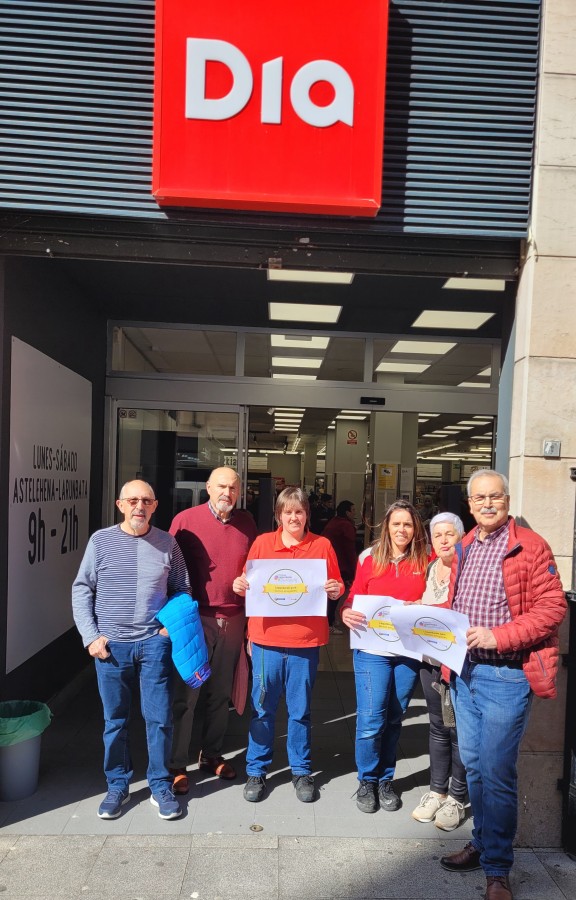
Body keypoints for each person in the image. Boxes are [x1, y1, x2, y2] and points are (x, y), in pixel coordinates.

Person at [439, 469, 566, 900]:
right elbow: (456, 604)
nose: (487, 504)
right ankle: (482, 842)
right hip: (465, 674)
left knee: (495, 773)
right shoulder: (465, 545)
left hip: (505, 676)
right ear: (470, 504)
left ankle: (498, 870)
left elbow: (552, 608)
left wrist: (499, 635)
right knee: (475, 767)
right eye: (479, 498)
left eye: (495, 497)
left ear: (507, 501)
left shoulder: (531, 545)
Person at [71, 480, 189, 821]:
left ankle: (159, 784)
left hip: (154, 644)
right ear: (120, 504)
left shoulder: (168, 542)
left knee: (159, 719)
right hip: (111, 647)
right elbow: (82, 589)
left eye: (146, 501)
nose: (140, 506)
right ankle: (117, 785)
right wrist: (91, 636)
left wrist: (167, 630)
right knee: (115, 721)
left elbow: (182, 588)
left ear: (155, 506)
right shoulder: (101, 541)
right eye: (133, 500)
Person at [233, 486, 344, 804]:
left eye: (299, 511)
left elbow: (336, 585)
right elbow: (246, 583)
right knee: (262, 709)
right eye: (288, 512)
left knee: (300, 712)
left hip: (305, 641)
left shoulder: (321, 546)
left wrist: (336, 589)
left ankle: (301, 771)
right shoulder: (262, 543)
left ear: (307, 514)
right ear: (278, 515)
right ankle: (256, 770)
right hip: (266, 640)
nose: (294, 517)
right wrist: (240, 585)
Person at [168, 466, 257, 792]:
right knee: (186, 696)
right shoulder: (186, 521)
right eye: (221, 487)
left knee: (220, 696)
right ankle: (177, 763)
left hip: (233, 620)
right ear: (208, 487)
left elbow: (255, 568)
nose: (227, 494)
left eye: (233, 488)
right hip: (196, 621)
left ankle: (212, 754)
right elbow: (169, 571)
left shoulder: (247, 524)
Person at [341, 499, 428, 813]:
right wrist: (346, 611)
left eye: (407, 524)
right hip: (371, 649)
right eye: (396, 524)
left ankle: (384, 779)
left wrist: (425, 601)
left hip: (408, 651)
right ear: (386, 527)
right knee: (370, 719)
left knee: (394, 716)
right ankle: (366, 779)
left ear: (415, 527)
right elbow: (353, 597)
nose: (402, 530)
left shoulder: (427, 559)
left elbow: (441, 596)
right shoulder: (369, 557)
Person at [411, 512, 468, 831]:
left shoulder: (469, 571)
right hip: (429, 662)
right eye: (438, 535)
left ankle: (457, 797)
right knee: (437, 727)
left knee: (458, 729)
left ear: (461, 537)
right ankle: (437, 791)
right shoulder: (431, 568)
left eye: (450, 534)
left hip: (458, 664)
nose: (444, 540)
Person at [322, 500, 358, 634]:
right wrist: (354, 569)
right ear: (347, 512)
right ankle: (329, 622)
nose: (354, 513)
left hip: (329, 562)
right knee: (334, 595)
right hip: (339, 564)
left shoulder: (334, 522)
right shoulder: (345, 526)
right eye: (353, 510)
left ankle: (329, 619)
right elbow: (350, 550)